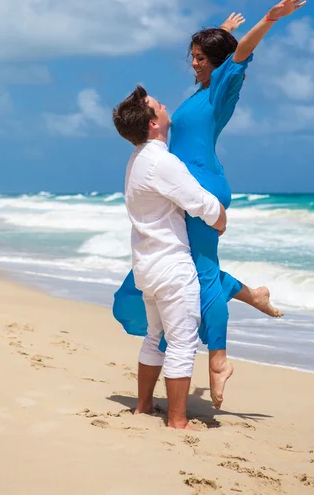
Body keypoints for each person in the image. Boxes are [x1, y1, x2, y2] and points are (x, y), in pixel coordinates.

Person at [114, 0, 307, 409]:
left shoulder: (222, 86)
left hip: (200, 190)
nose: (194, 62)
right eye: (193, 56)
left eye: (201, 57)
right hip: (184, 189)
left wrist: (268, 19)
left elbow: (238, 57)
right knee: (197, 269)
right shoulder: (200, 90)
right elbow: (218, 59)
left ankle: (218, 359)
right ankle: (251, 295)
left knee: (200, 276)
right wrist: (220, 32)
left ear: (217, 62)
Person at [113, 88, 227, 429]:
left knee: (155, 335)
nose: (164, 105)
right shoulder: (161, 161)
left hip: (147, 264)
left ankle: (144, 407)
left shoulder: (138, 157)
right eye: (157, 105)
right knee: (181, 341)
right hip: (170, 265)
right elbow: (200, 202)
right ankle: (178, 420)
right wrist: (220, 219)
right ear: (152, 123)